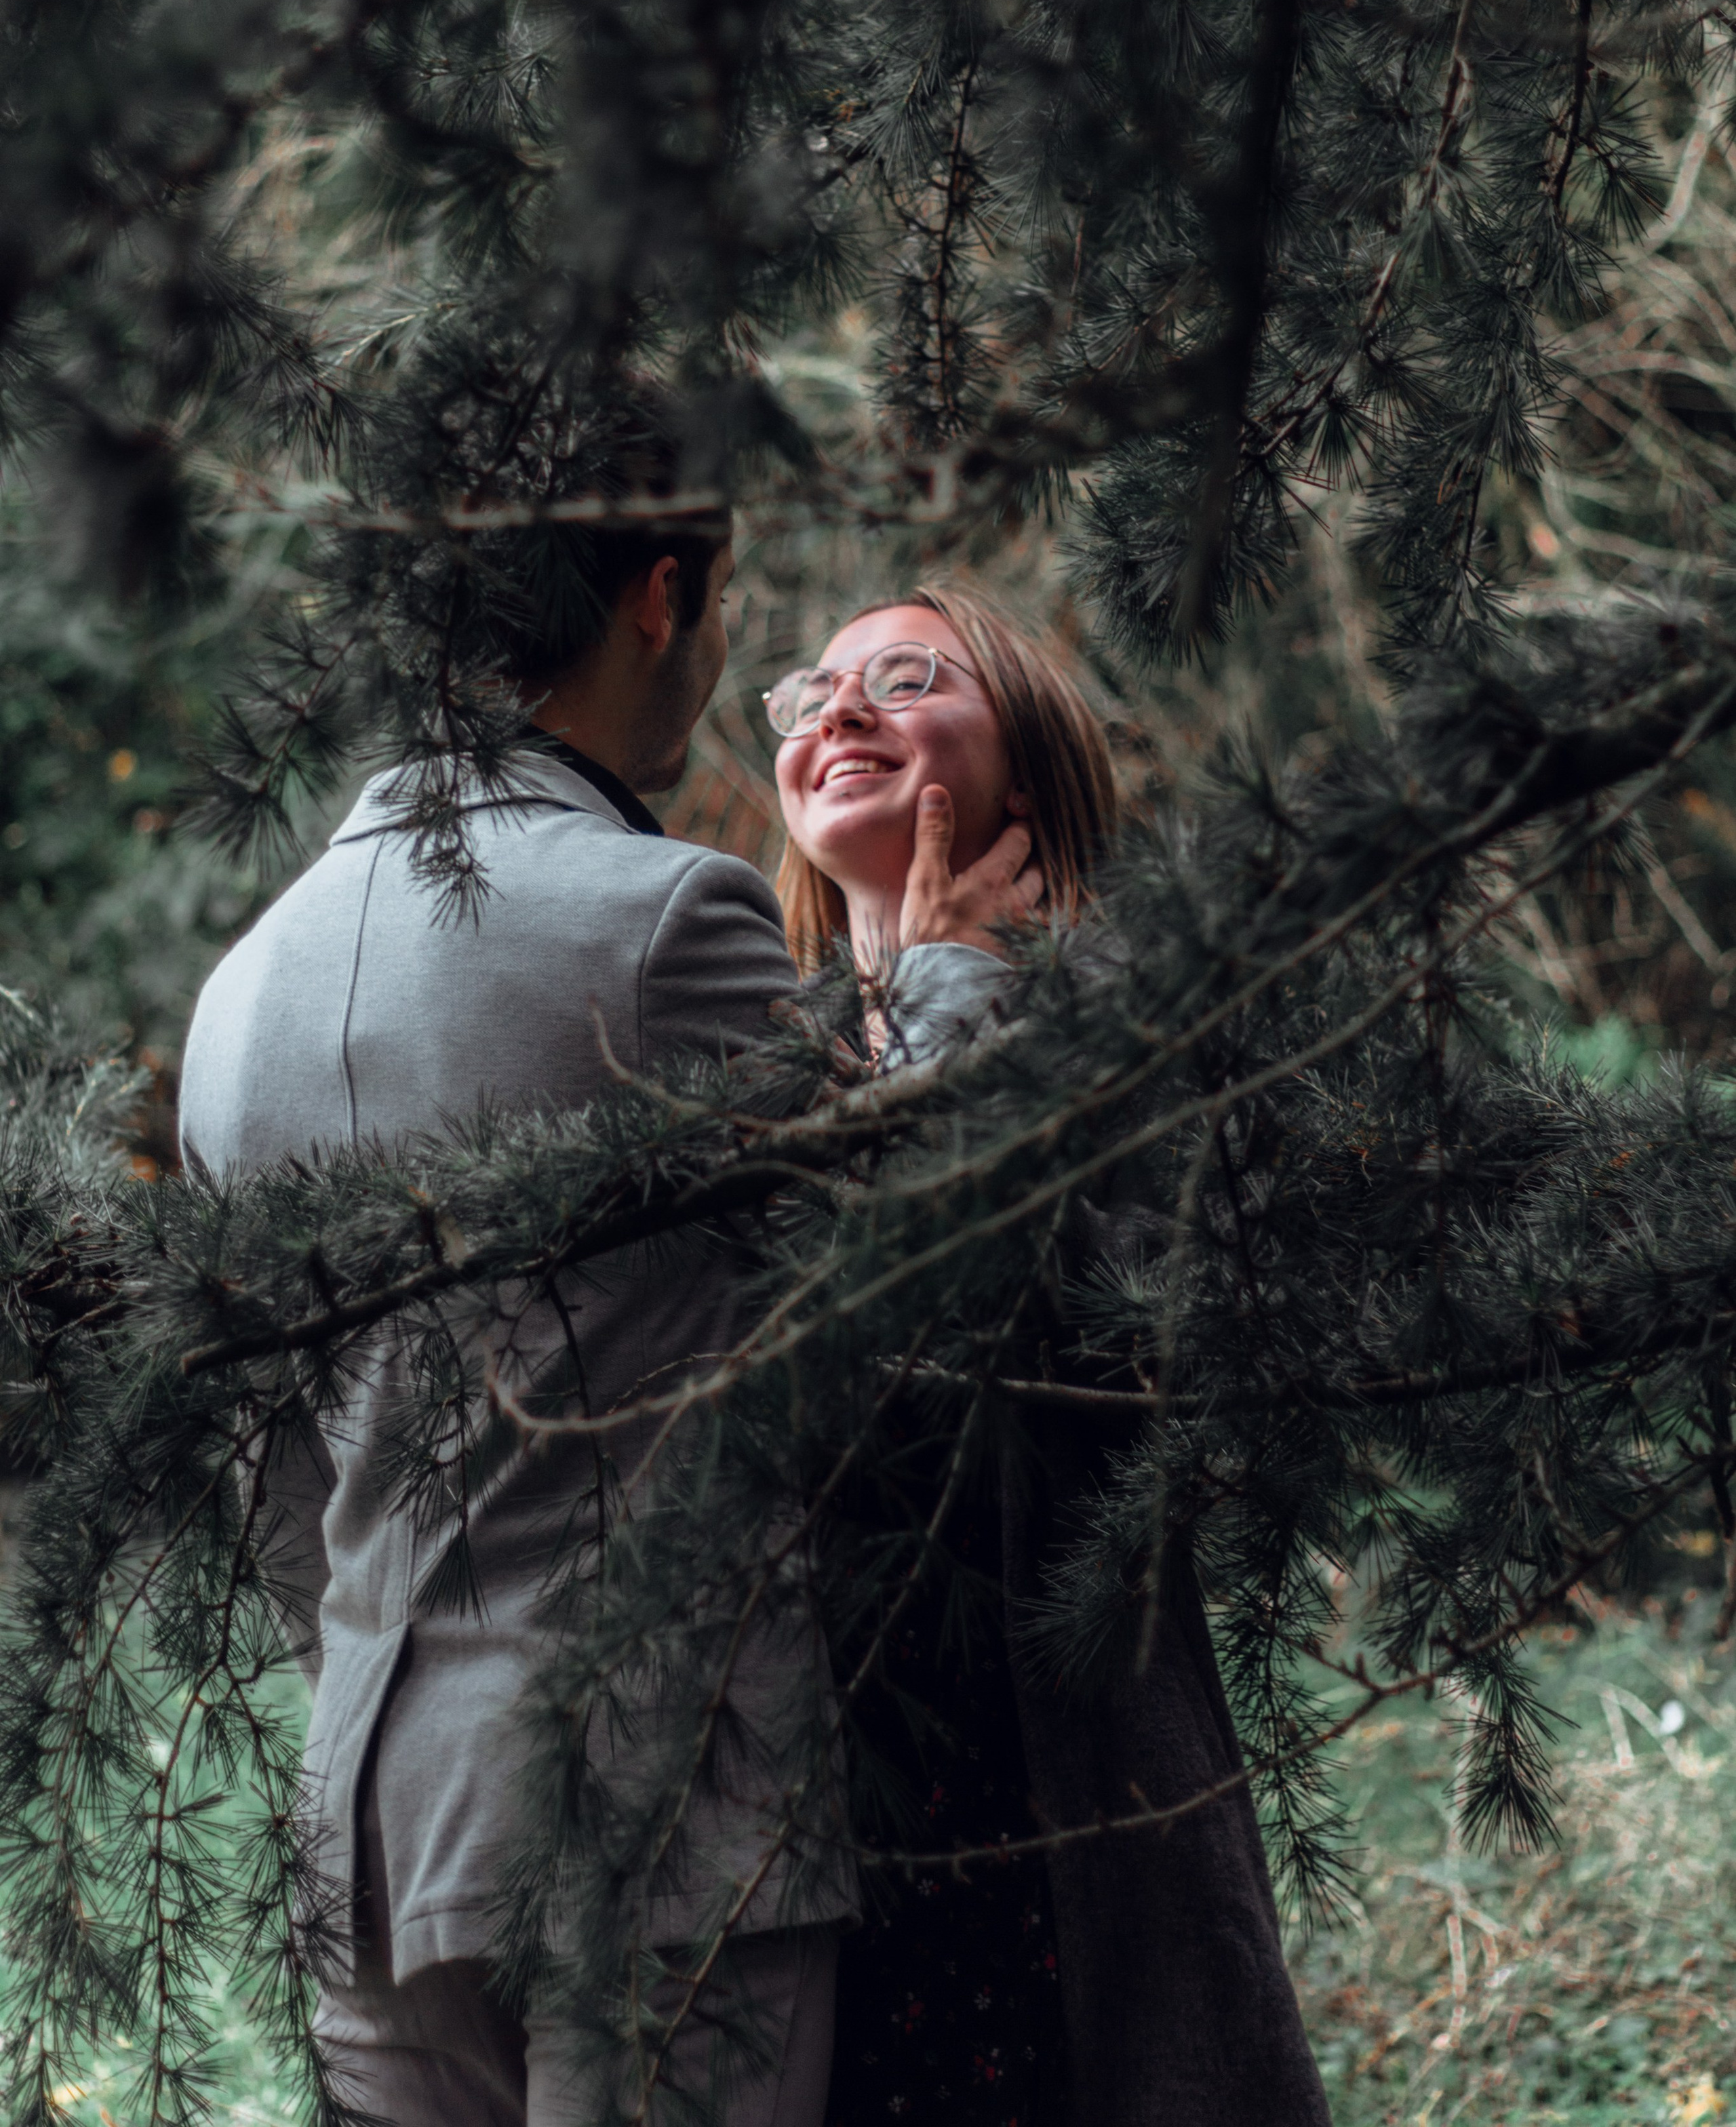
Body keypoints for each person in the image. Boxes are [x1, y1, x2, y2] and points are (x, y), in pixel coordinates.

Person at [176, 517, 1037, 2127]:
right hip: (645, 1816)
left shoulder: (237, 995)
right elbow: (907, 1267)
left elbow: (274, 1481)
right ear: (660, 598)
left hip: (366, 1847)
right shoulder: (663, 915)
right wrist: (943, 981)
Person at [767, 584, 1332, 2127]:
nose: (839, 710)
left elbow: (1072, 1353)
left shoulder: (1132, 1026)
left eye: (904, 676)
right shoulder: (752, 1059)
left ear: (1027, 758)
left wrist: (949, 1001)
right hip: (826, 1815)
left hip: (1064, 1801)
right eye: (809, 694)